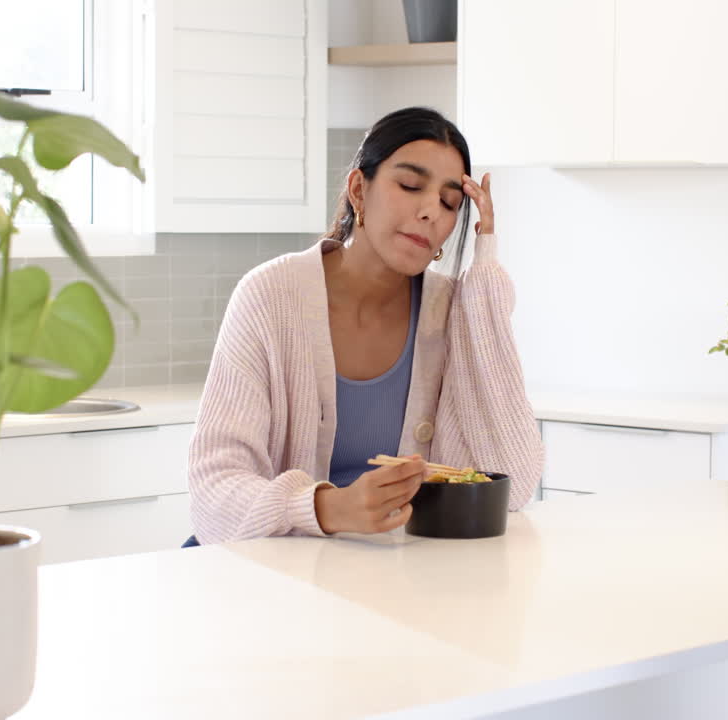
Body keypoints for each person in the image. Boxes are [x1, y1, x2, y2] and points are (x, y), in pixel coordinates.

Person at [182, 107, 543, 546]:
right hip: (270, 575)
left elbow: (513, 485)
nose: (431, 211)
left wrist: (483, 275)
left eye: (450, 203)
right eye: (410, 186)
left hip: (382, 574)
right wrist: (328, 508)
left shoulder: (455, 313)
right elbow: (212, 488)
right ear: (358, 189)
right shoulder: (270, 296)